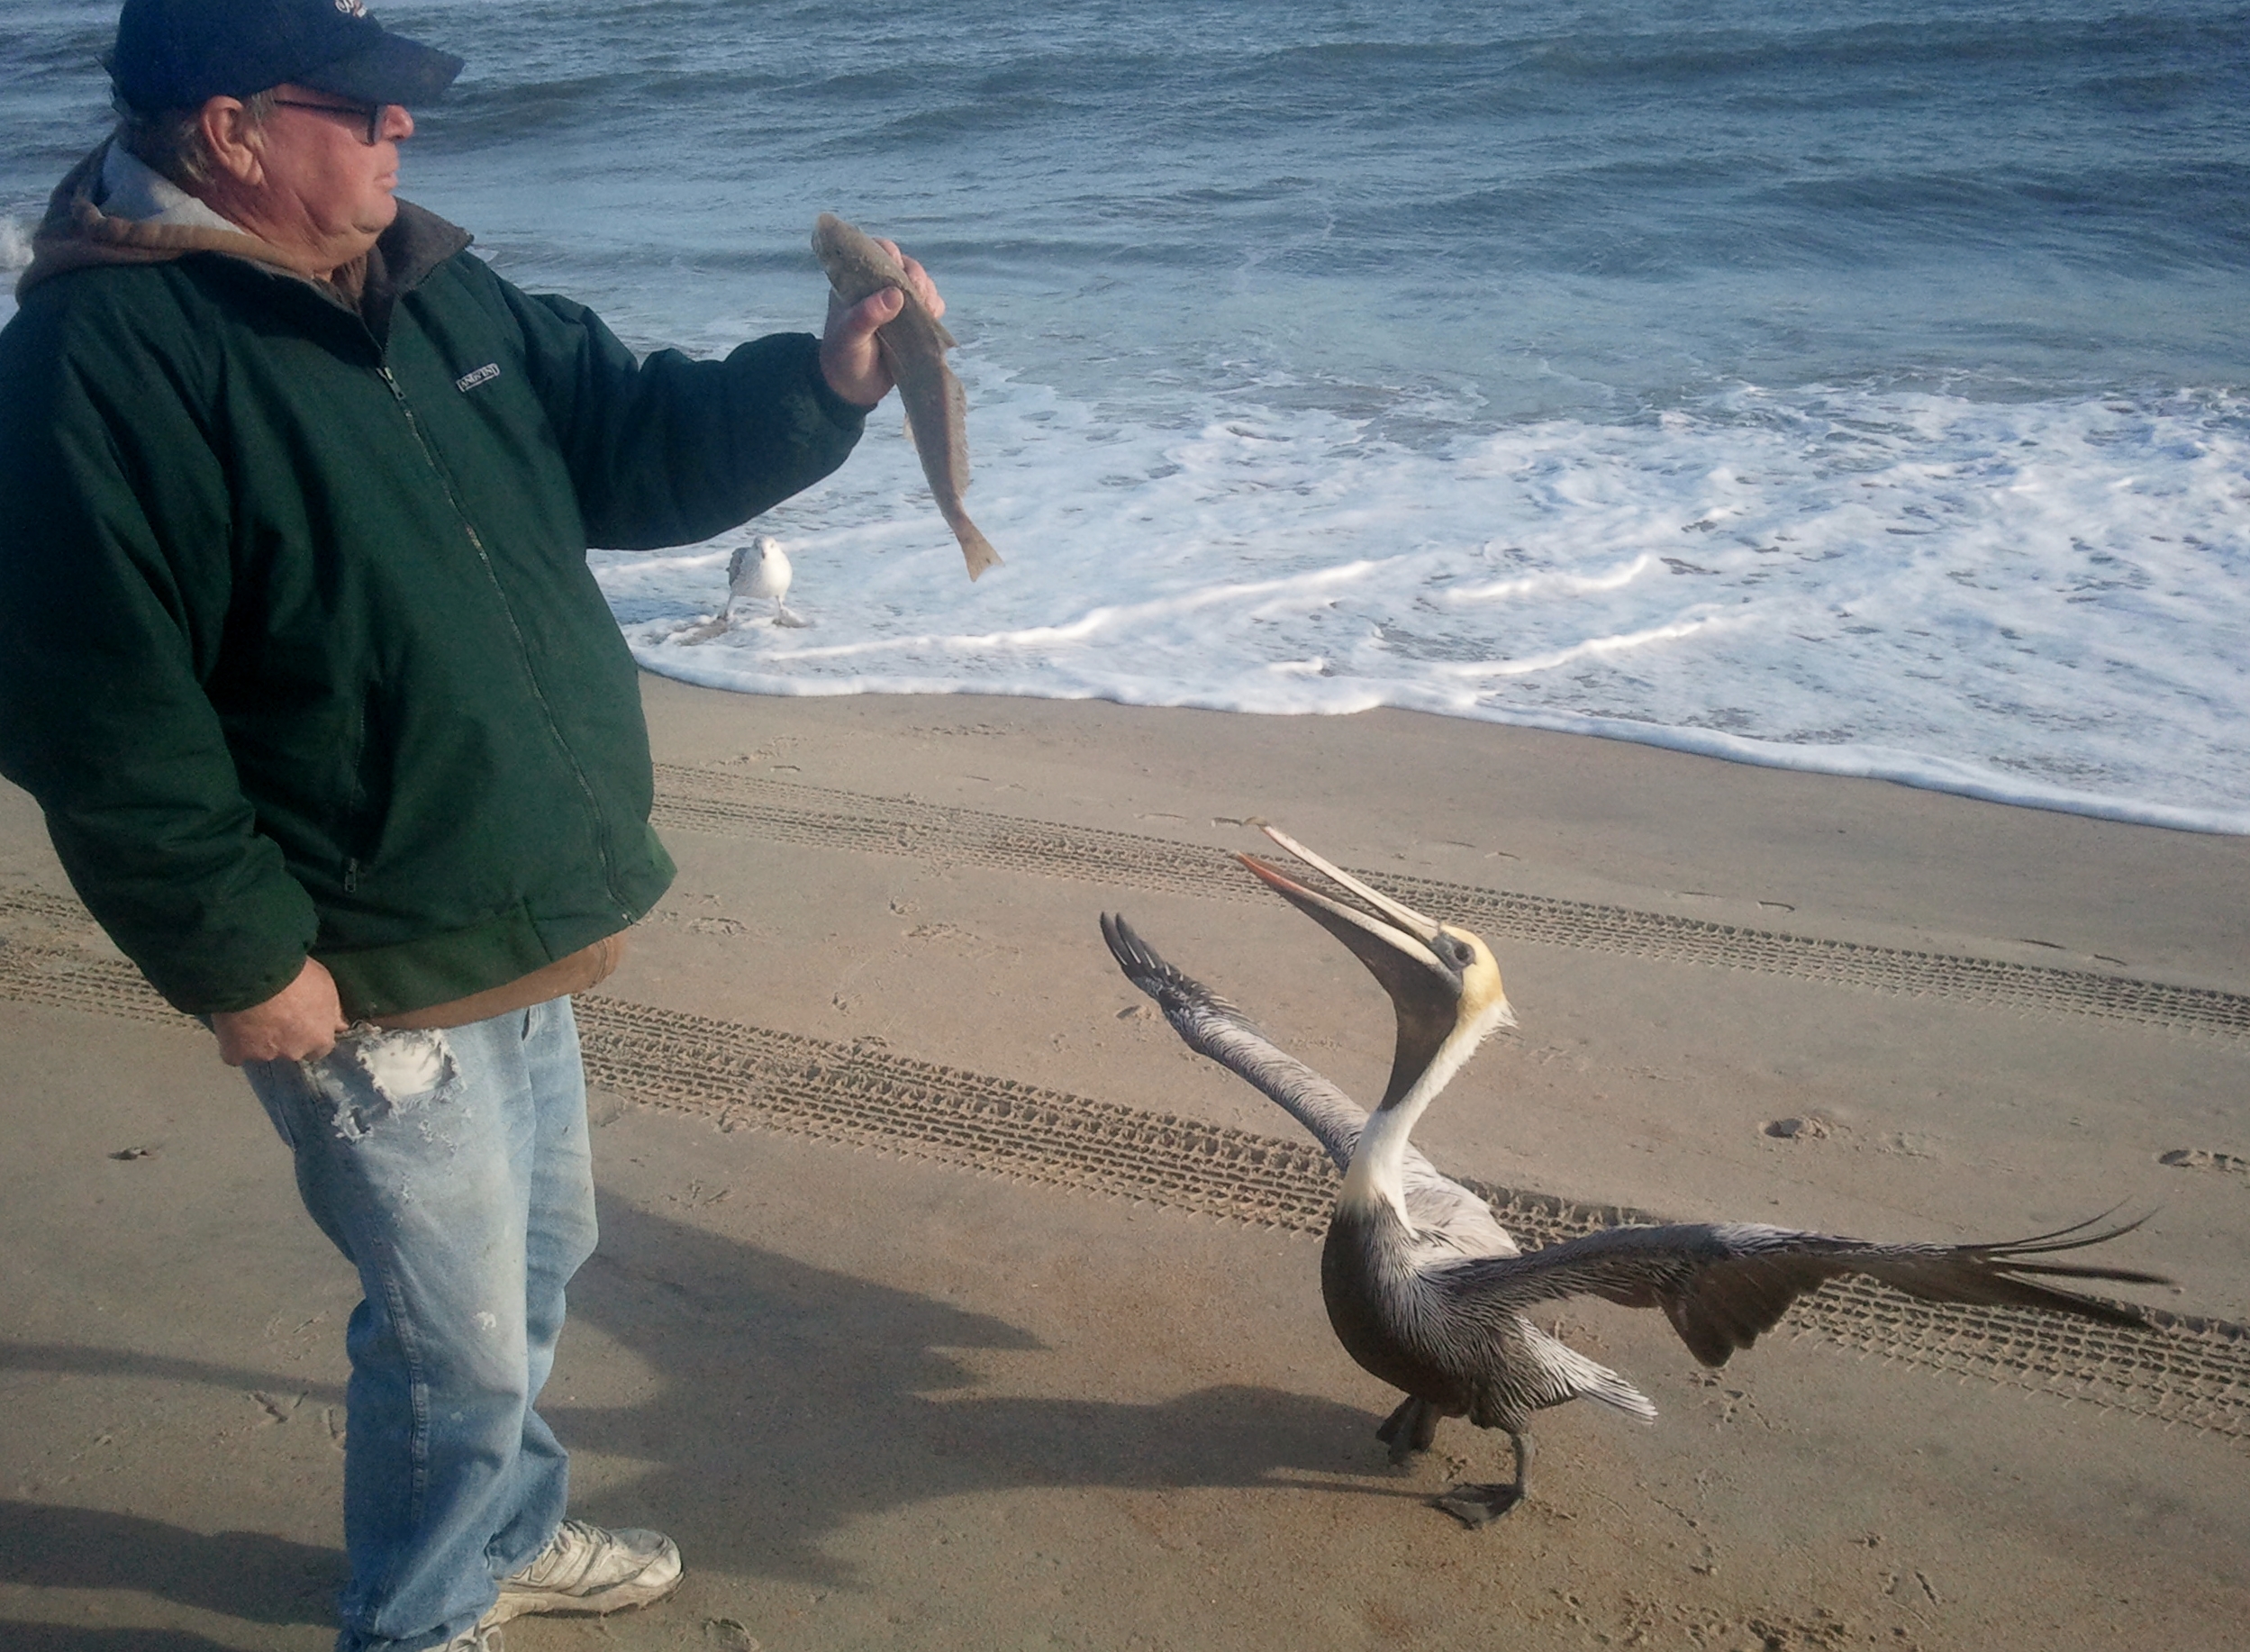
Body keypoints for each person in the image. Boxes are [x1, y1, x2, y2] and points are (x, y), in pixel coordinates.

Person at [0, 2, 945, 1645]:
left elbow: (628, 442)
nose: (401, 134)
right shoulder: (95, 370)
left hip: (508, 895)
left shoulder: (437, 286)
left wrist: (826, 381)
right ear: (228, 132)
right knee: (458, 1333)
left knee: (540, 1252)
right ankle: (422, 1613)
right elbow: (93, 718)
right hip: (351, 952)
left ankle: (498, 1532)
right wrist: (244, 959)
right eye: (361, 109)